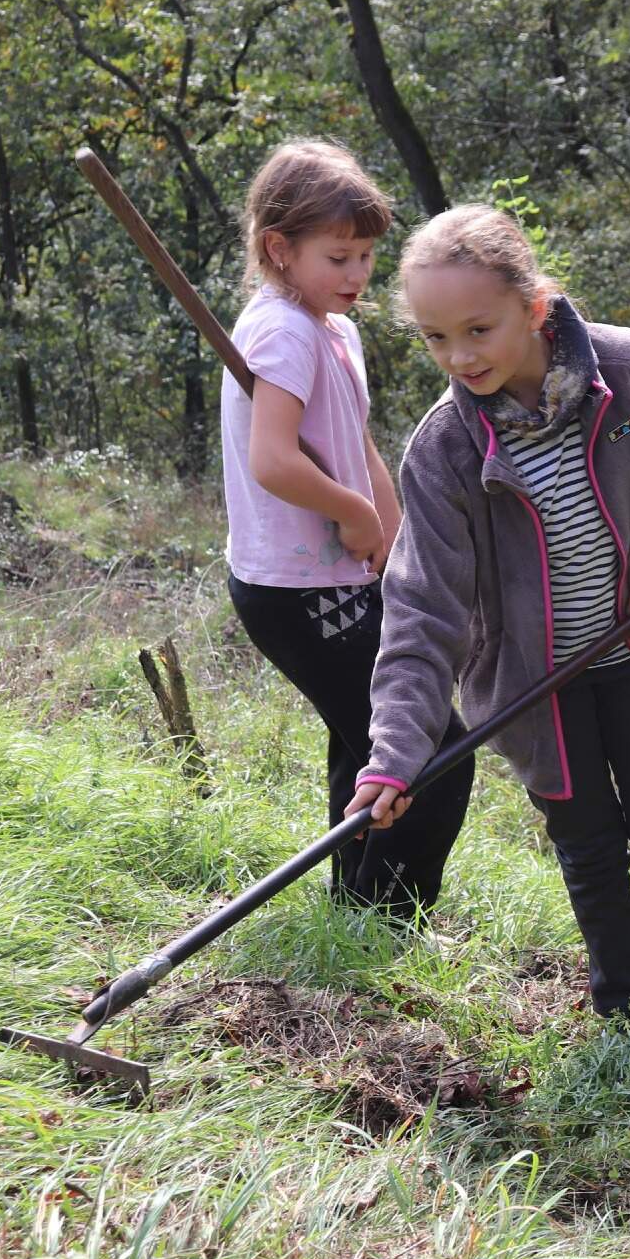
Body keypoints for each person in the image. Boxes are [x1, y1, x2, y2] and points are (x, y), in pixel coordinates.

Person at [348, 203, 630, 1023]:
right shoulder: (444, 451)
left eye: (478, 330)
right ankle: (623, 1006)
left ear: (535, 306)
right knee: (589, 844)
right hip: (534, 688)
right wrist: (396, 754)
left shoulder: (626, 370)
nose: (460, 356)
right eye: (436, 338)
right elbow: (421, 610)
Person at [218, 138, 473, 918]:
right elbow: (273, 460)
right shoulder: (283, 332)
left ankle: (355, 911)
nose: (358, 274)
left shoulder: (330, 327)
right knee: (431, 752)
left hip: (339, 577)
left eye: (366, 256)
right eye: (338, 257)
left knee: (368, 740)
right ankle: (387, 920)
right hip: (296, 588)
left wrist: (393, 537)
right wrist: (356, 514)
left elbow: (352, 444)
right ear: (279, 249)